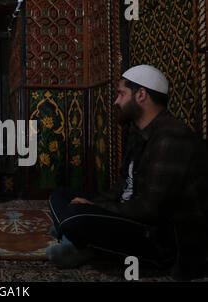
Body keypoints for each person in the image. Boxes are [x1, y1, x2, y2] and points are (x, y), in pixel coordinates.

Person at [47, 65, 208, 281]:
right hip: (130, 213)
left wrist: (96, 207)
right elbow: (125, 184)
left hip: (157, 238)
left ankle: (81, 242)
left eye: (121, 94)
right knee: (60, 196)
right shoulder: (138, 131)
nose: (116, 101)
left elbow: (150, 209)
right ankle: (82, 240)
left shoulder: (171, 138)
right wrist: (93, 203)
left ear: (141, 95)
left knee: (75, 217)